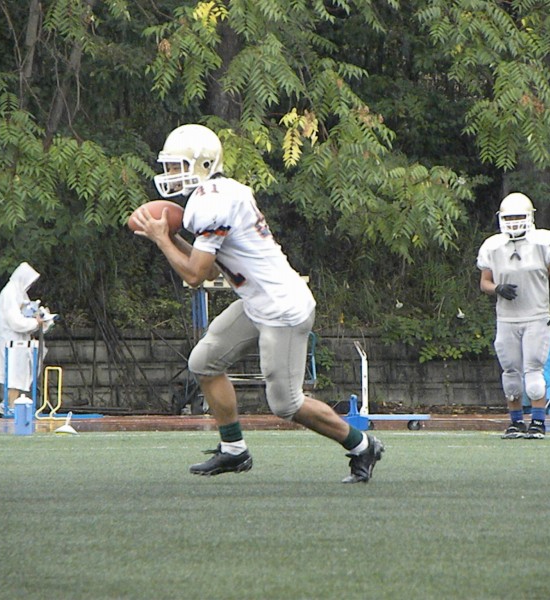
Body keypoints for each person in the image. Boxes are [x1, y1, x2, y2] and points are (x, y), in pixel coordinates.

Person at [133, 123, 384, 483]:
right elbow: (208, 267)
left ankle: (363, 446)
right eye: (169, 166)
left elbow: (195, 275)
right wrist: (171, 238)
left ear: (204, 164)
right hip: (257, 302)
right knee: (204, 363)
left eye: (177, 166)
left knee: (286, 404)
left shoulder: (211, 201)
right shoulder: (220, 194)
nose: (171, 174)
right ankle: (234, 449)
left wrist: (162, 240)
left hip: (282, 309)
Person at [477, 192, 550, 439]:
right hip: (506, 318)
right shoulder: (493, 246)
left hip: (536, 316)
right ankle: (516, 422)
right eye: (509, 218)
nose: (514, 222)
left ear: (529, 217)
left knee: (534, 372)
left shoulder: (544, 242)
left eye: (518, 217)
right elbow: (484, 282)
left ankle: (538, 422)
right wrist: (497, 288)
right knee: (510, 373)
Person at [0, 262, 47, 415]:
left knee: (20, 377)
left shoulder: (19, 293)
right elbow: (15, 322)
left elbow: (25, 312)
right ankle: (8, 407)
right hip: (12, 342)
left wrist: (37, 319)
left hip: (21, 342)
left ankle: (9, 406)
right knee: (14, 378)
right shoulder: (9, 293)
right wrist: (35, 322)